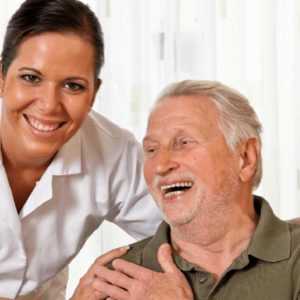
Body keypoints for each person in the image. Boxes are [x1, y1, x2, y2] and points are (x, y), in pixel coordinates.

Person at [73, 80, 300, 299]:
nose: (161, 165)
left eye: (183, 143)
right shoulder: (115, 280)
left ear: (245, 158)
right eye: (151, 149)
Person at [0, 0, 161, 298]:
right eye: (31, 78)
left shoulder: (113, 151)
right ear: (1, 78)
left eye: (73, 86)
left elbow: (187, 234)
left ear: (94, 94)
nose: (49, 105)